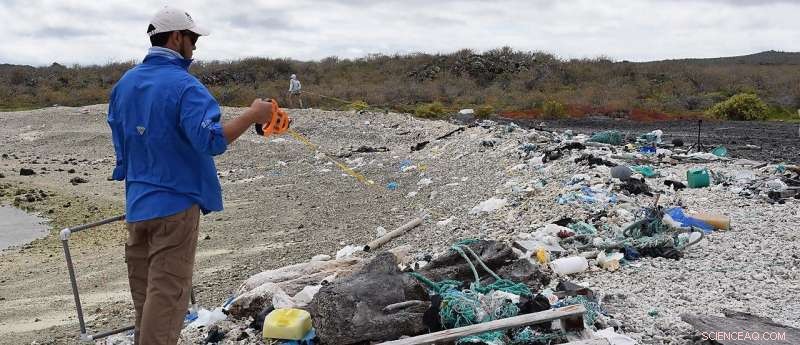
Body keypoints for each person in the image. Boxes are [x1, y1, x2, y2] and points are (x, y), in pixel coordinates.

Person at [107, 7, 276, 345]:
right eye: (193, 38)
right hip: (175, 206)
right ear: (176, 38)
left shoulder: (125, 84)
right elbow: (211, 140)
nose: (195, 47)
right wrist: (254, 114)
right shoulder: (185, 86)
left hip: (137, 206)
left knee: (147, 303)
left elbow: (120, 138)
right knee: (167, 300)